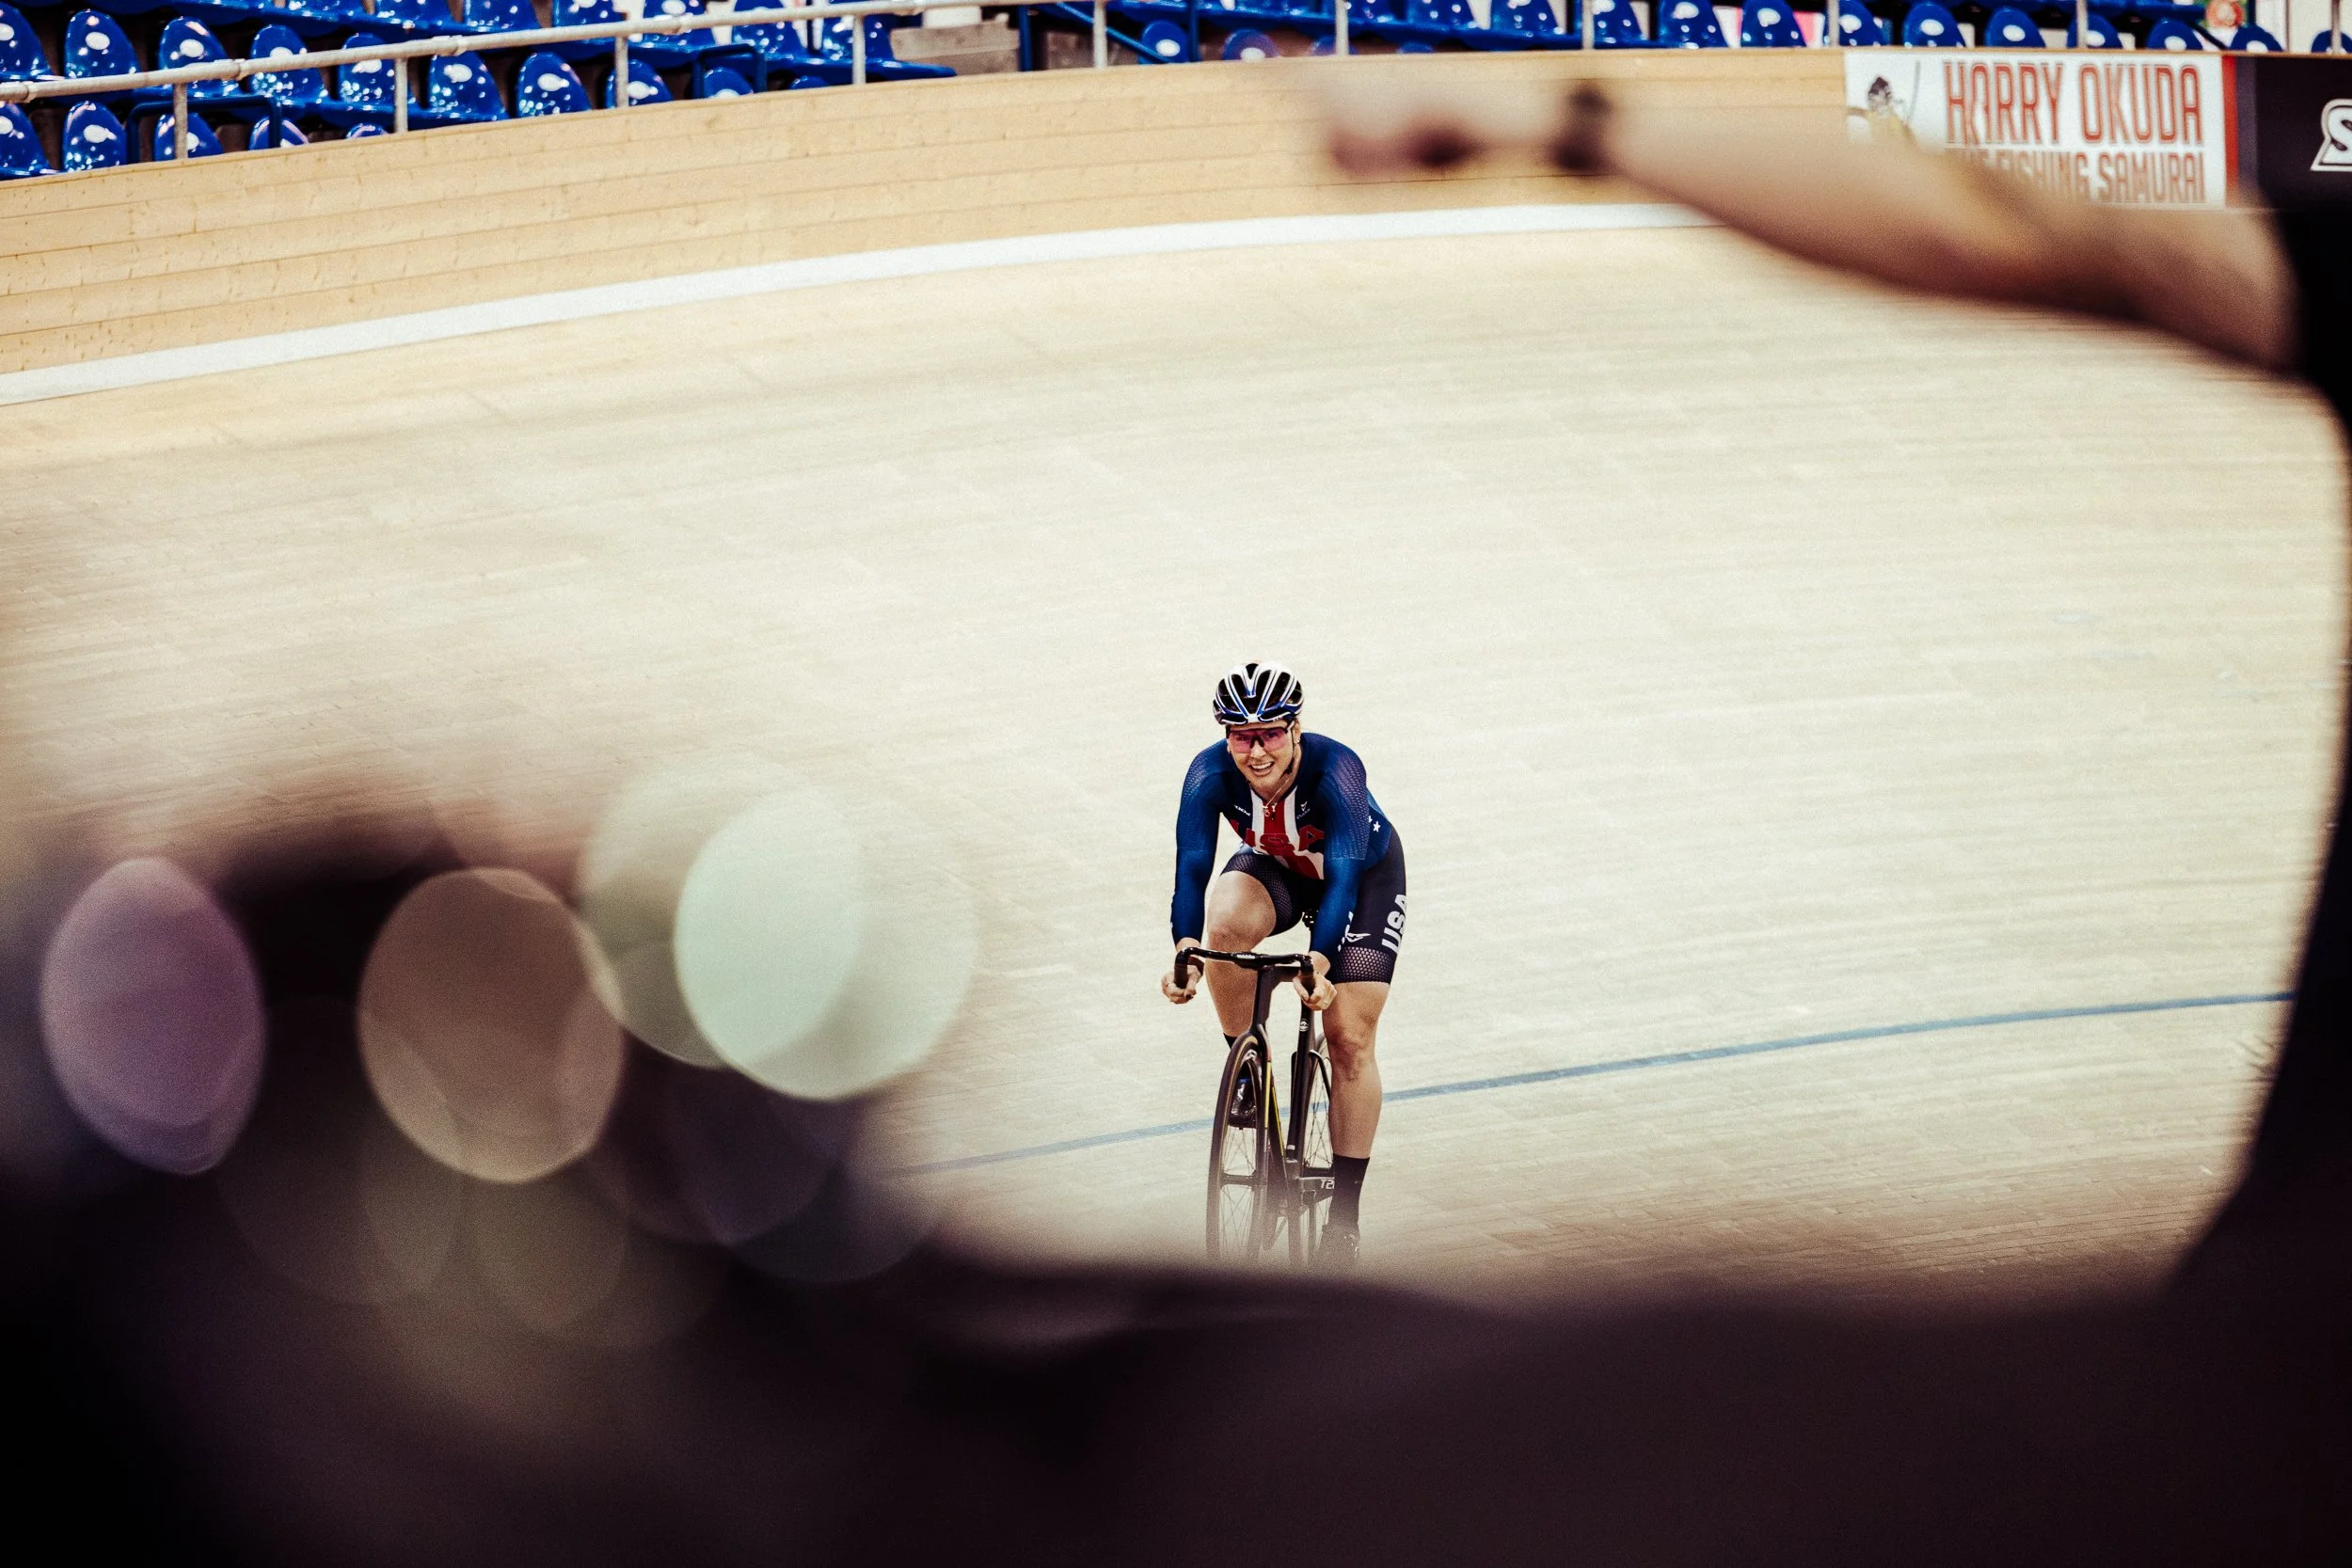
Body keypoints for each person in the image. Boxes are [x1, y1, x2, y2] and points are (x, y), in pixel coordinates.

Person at [1161, 661, 1406, 1263]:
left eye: (1270, 732)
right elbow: (1193, 864)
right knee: (1220, 929)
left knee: (1348, 1035)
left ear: (1295, 729)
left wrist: (1321, 961)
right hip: (1281, 871)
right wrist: (1184, 947)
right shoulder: (1207, 774)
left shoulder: (1337, 770)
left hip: (1360, 879)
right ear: (1226, 739)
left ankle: (1342, 1221)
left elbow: (1344, 876)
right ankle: (1246, 1066)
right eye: (1242, 737)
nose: (1257, 750)